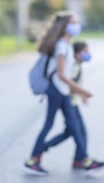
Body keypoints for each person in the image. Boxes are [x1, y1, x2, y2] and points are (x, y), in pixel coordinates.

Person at [22, 11, 104, 176]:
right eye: (73, 23)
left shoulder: (66, 44)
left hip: (61, 91)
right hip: (56, 90)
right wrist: (81, 90)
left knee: (74, 127)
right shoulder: (61, 45)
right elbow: (62, 74)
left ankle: (86, 160)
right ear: (64, 27)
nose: (77, 26)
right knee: (49, 125)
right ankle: (32, 160)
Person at [40, 41, 92, 169]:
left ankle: (43, 148)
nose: (88, 54)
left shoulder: (77, 65)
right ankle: (81, 159)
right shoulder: (74, 66)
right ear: (77, 54)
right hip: (70, 104)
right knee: (81, 132)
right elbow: (70, 85)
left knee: (70, 132)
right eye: (85, 51)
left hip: (72, 102)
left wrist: (82, 95)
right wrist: (83, 92)